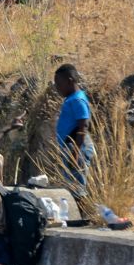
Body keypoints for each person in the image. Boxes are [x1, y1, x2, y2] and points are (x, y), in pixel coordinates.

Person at [54, 64, 95, 198]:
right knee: (71, 185)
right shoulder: (72, 99)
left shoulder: (78, 99)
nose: (57, 88)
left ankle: (81, 216)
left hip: (77, 148)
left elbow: (83, 125)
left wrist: (76, 152)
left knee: (77, 189)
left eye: (59, 84)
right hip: (71, 148)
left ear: (70, 81)